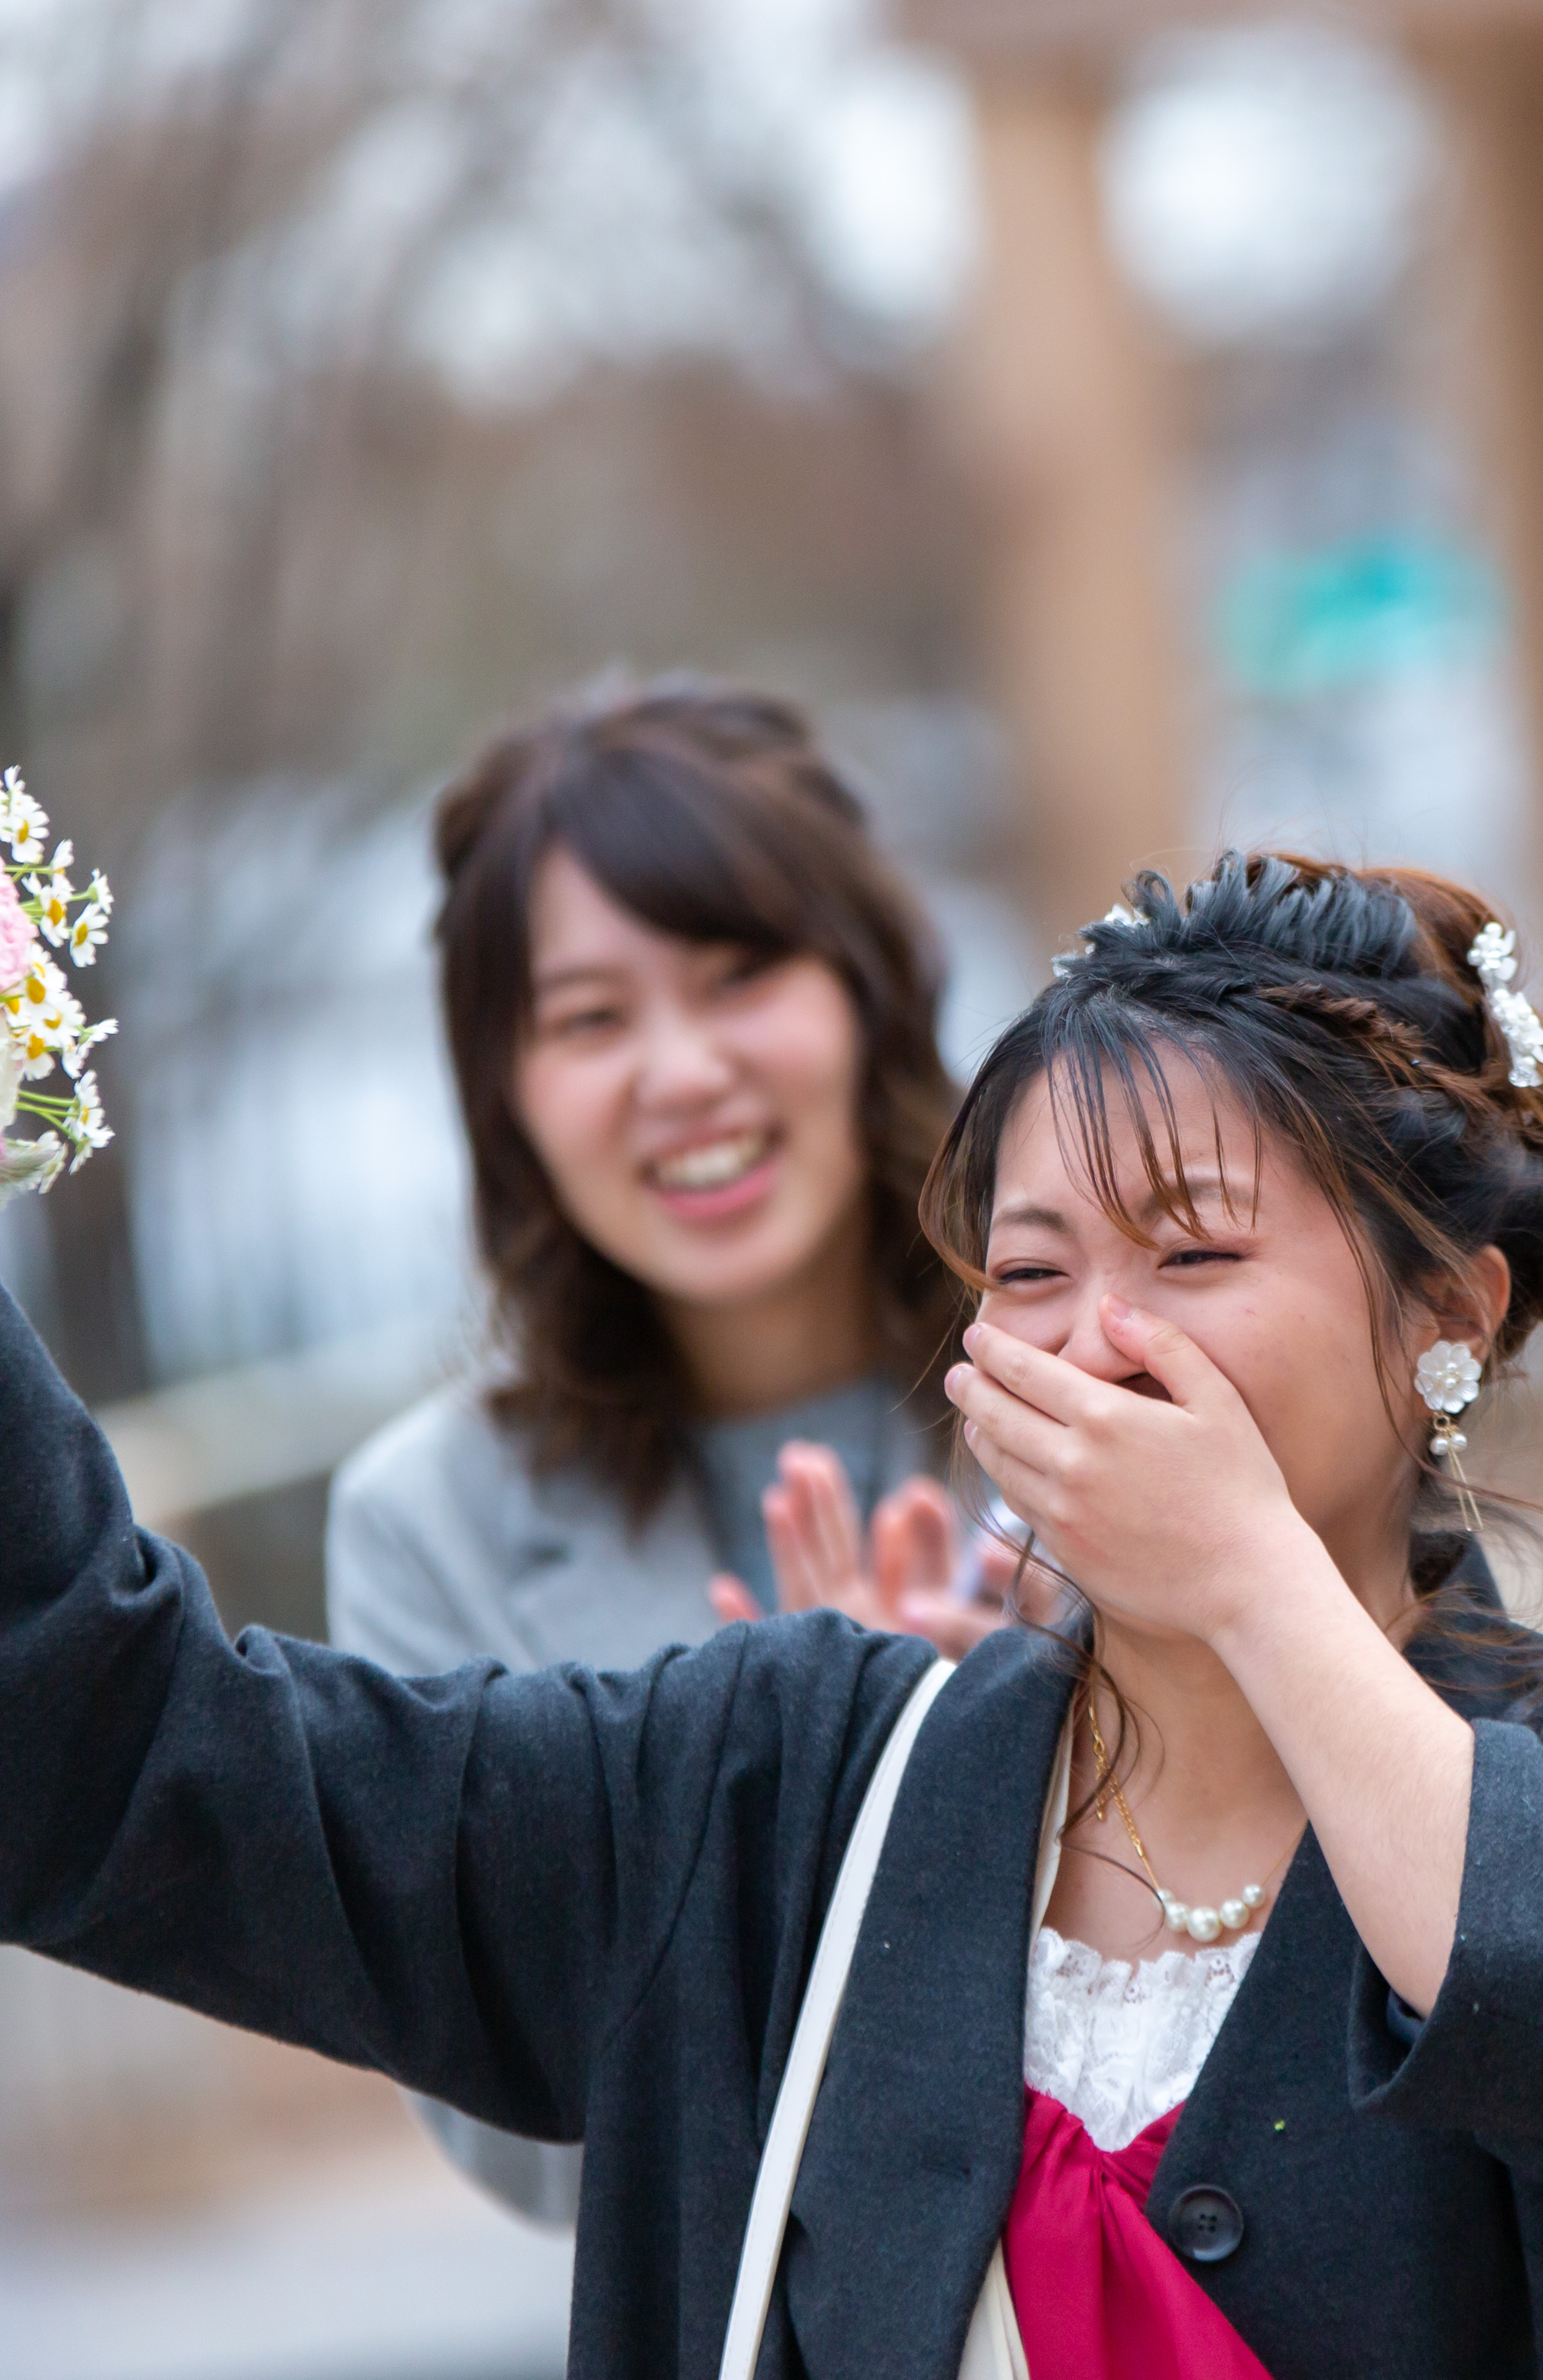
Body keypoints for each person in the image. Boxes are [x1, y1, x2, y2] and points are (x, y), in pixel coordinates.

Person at [0, 851, 1543, 2378]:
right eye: (1031, 1268)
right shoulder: (787, 1790)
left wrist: (1262, 1586)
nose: (1089, 1333)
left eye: (1195, 1252)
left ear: (1442, 1310)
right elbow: (155, 1774)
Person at [323, 681, 1006, 2222]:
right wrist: (804, 1826)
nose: (684, 1071)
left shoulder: (1091, 1395)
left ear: (871, 993)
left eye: (741, 972)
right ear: (507, 1097)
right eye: (591, 1018)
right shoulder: (432, 1524)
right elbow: (531, 2142)